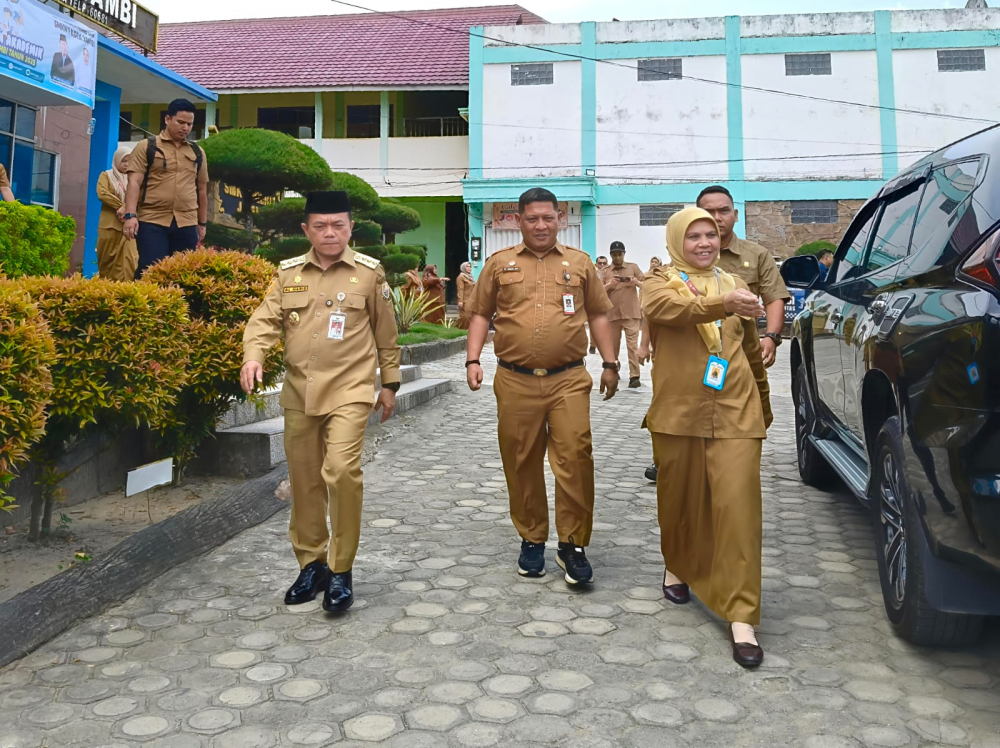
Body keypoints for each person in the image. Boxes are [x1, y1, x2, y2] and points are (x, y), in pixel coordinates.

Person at [240, 191, 401, 613]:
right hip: (299, 392)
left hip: (349, 390)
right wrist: (253, 356)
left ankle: (341, 569)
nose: (329, 233)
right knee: (305, 479)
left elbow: (387, 335)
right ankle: (312, 564)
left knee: (342, 471)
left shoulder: (368, 275)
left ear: (350, 227)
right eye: (320, 226)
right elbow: (264, 320)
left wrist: (391, 384)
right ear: (306, 230)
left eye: (338, 225)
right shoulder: (288, 274)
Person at [465, 188, 619, 586]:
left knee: (575, 457)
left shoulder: (580, 263)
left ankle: (572, 544)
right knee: (521, 460)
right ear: (518, 221)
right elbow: (481, 314)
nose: (540, 225)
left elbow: (601, 314)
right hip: (514, 379)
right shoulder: (500, 264)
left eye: (548, 218)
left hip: (568, 378)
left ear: (560, 219)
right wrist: (472, 360)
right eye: (532, 218)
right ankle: (532, 538)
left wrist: (611, 363)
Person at [642, 207, 772, 668]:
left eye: (711, 234)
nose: (704, 242)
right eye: (694, 235)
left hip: (736, 409)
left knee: (737, 507)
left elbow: (751, 349)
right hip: (678, 413)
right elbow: (667, 312)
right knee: (681, 499)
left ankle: (741, 616)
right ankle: (678, 563)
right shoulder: (659, 283)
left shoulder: (737, 286)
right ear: (678, 240)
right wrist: (723, 305)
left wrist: (763, 402)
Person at [696, 186, 790, 369]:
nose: (717, 217)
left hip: (744, 353)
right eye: (709, 212)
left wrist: (771, 337)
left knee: (752, 397)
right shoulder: (685, 256)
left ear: (736, 215)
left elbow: (774, 297)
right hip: (695, 352)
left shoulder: (757, 255)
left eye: (724, 211)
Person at [123, 99, 209, 277]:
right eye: (180, 122)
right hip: (152, 220)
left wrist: (202, 223)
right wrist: (130, 216)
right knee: (150, 269)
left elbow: (202, 190)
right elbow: (134, 183)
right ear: (168, 119)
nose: (185, 128)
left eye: (189, 124)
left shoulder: (197, 152)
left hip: (187, 222)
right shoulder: (147, 147)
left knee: (183, 273)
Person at [600, 241, 645, 389]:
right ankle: (613, 371)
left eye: (620, 254)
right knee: (613, 346)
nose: (617, 257)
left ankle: (634, 376)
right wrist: (609, 285)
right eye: (614, 254)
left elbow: (646, 285)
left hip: (631, 314)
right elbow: (597, 291)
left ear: (624, 254)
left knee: (632, 345)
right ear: (611, 255)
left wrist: (635, 282)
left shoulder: (633, 267)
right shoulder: (605, 272)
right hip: (612, 314)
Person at [95, 146, 139, 281]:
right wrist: (119, 206)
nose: (127, 164)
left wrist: (127, 207)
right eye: (123, 161)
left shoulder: (136, 179)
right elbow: (102, 193)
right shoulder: (106, 175)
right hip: (110, 226)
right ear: (116, 160)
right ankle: (107, 291)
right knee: (106, 260)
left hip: (129, 226)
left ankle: (126, 291)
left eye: (129, 161)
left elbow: (141, 195)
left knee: (130, 259)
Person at [589, 255, 611, 353]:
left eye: (604, 263)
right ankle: (593, 345)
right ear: (596, 263)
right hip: (595, 301)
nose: (602, 265)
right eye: (600, 263)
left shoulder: (610, 272)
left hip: (608, 301)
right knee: (594, 323)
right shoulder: (593, 272)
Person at [456, 261, 476, 329]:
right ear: (463, 267)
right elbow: (460, 289)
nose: (469, 268)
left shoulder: (470, 277)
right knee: (465, 316)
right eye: (467, 266)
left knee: (469, 316)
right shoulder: (461, 277)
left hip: (471, 299)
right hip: (465, 299)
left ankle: (465, 329)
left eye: (470, 267)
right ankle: (458, 328)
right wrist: (460, 301)